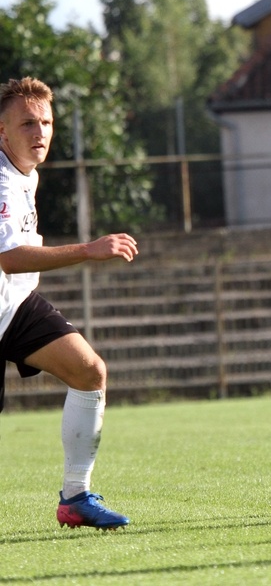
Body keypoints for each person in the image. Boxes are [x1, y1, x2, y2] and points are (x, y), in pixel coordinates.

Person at [0, 77, 138, 530]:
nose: (39, 132)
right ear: (2, 131)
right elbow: (9, 256)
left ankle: (75, 496)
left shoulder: (25, 173)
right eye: (26, 123)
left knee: (89, 370)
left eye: (46, 122)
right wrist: (87, 249)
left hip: (14, 304)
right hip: (9, 292)